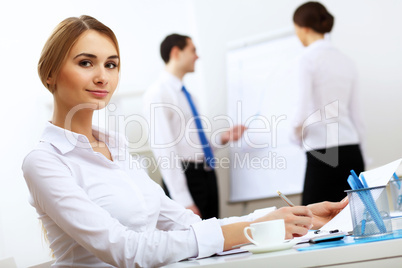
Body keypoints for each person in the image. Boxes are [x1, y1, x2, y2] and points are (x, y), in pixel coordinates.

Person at [22, 15, 348, 267]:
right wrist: (253, 228)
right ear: (49, 73)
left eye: (111, 65)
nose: (102, 76)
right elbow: (125, 250)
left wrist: (292, 216)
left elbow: (186, 224)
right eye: (85, 62)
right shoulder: (44, 161)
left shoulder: (117, 148)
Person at [142, 34, 246, 219]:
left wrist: (222, 138)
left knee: (215, 241)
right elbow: (164, 150)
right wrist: (183, 200)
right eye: (193, 50)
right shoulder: (158, 94)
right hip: (187, 180)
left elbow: (192, 145)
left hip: (206, 176)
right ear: (176, 52)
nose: (197, 56)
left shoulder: (188, 95)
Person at [291, 2, 365, 205]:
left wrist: (295, 137)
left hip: (322, 152)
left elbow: (300, 113)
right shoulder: (346, 60)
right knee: (356, 222)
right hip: (352, 151)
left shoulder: (306, 59)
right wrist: (363, 157)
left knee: (313, 225)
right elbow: (357, 116)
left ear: (303, 28)